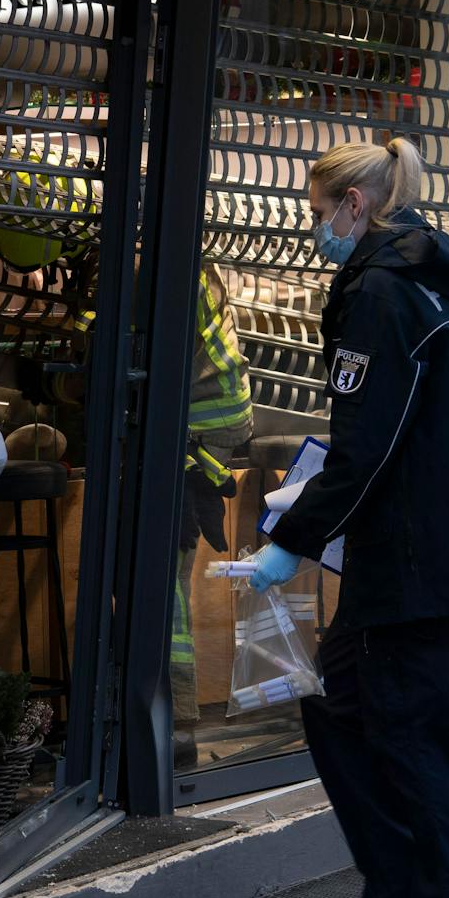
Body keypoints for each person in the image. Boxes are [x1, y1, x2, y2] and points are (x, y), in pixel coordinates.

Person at [245, 138, 449, 898]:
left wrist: (289, 541)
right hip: (437, 539)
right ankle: (397, 885)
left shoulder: (379, 289)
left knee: (415, 740)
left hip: (412, 554)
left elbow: (364, 443)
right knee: (337, 699)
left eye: (315, 214)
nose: (314, 232)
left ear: (354, 206)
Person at [172, 269, 254, 768]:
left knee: (165, 580)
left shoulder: (143, 261)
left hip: (194, 422)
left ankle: (177, 722)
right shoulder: (188, 255)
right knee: (169, 573)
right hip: (212, 419)